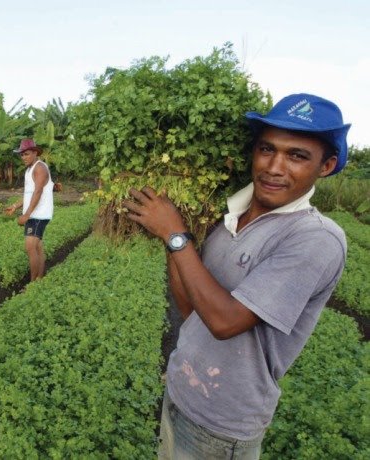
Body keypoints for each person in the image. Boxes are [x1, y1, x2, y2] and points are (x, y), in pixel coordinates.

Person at [123, 94, 350, 459]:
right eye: (266, 149)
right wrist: (176, 241)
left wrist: (175, 234)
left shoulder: (315, 238)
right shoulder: (228, 219)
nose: (274, 167)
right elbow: (190, 309)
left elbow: (224, 322)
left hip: (220, 426)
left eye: (297, 156)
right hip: (179, 393)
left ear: (326, 166)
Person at [5, 138, 54, 281]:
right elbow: (29, 194)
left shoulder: (40, 168)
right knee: (37, 247)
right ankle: (39, 279)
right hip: (34, 214)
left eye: (26, 154)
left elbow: (38, 192)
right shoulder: (29, 170)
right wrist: (16, 206)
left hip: (38, 215)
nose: (23, 157)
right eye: (21, 155)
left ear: (35, 153)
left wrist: (27, 215)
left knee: (30, 247)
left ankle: (33, 283)